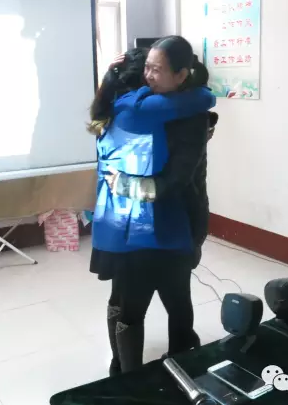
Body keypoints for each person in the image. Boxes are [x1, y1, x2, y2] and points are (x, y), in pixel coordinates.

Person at [88, 36, 216, 375]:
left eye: (157, 70)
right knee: (135, 301)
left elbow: (180, 179)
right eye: (147, 67)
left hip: (170, 219)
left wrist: (128, 187)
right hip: (140, 224)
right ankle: (129, 372)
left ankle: (171, 364)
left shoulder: (185, 115)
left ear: (182, 74)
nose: (149, 76)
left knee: (172, 299)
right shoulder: (142, 104)